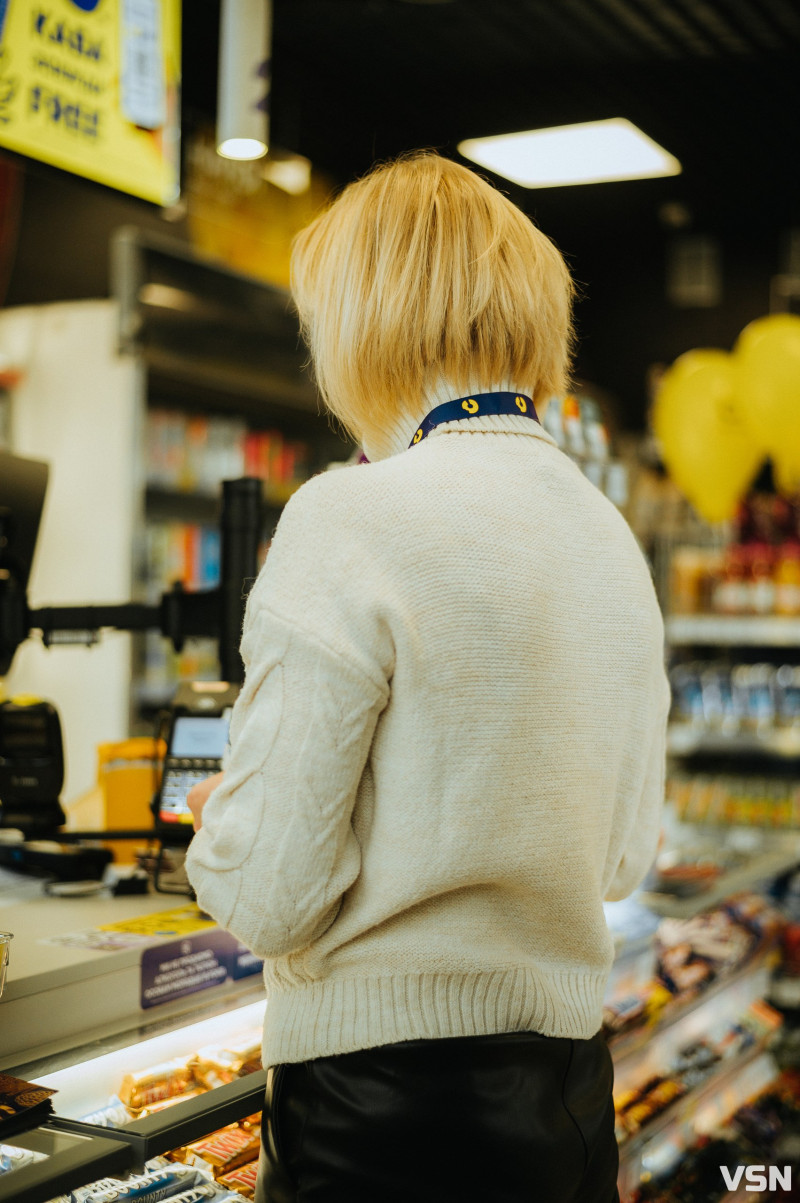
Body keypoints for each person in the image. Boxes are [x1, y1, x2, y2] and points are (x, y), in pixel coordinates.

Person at [185, 151, 670, 1203]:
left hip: (376, 1122)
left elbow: (269, 896)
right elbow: (624, 855)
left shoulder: (348, 515)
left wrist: (215, 820)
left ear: (367, 324)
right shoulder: (605, 536)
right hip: (568, 1106)